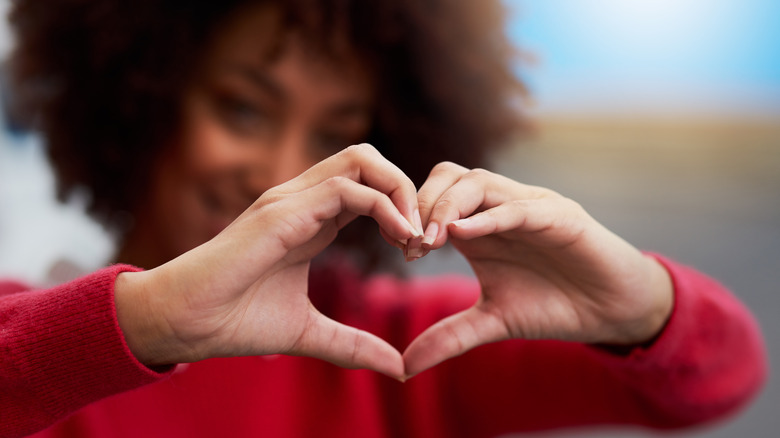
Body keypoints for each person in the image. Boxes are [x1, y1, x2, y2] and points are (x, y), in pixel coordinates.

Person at [0, 0, 768, 437]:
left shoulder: (401, 350)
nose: (280, 175)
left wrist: (635, 303)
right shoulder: (51, 346)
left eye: (338, 134)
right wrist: (149, 319)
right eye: (242, 108)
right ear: (141, 100)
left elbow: (721, 381)